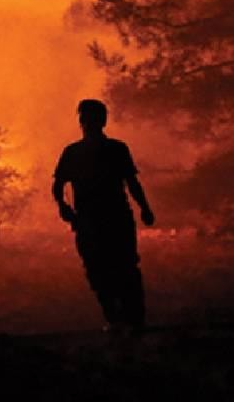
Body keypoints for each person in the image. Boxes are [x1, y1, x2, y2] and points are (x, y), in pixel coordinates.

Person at [53, 99, 155, 333]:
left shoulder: (109, 150)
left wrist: (145, 208)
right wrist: (63, 206)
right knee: (105, 269)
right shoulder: (94, 151)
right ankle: (121, 320)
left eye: (88, 118)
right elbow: (58, 186)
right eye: (87, 118)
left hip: (106, 219)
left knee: (116, 268)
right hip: (98, 220)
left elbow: (132, 182)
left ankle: (130, 320)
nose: (87, 122)